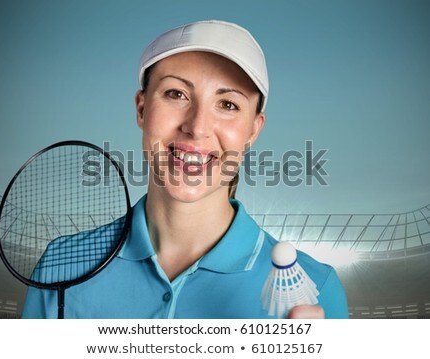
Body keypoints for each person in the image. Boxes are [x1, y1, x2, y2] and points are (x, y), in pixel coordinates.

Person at [21, 20, 348, 319]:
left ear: (253, 130)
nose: (197, 126)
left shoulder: (316, 291)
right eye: (176, 94)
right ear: (142, 107)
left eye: (228, 104)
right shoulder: (61, 265)